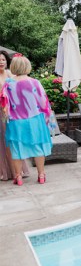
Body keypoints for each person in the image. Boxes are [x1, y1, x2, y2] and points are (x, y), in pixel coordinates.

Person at [0, 55, 52, 186]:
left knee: (17, 149)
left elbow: (4, 105)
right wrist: (48, 119)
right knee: (38, 146)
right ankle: (41, 175)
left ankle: (18, 177)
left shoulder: (8, 84)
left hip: (16, 122)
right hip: (35, 120)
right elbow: (43, 102)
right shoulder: (35, 82)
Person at [0, 51, 30, 181]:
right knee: (2, 142)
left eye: (3, 60)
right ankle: (5, 171)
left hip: (11, 113)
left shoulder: (12, 75)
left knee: (13, 140)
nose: (1, 62)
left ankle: (18, 171)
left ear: (7, 62)